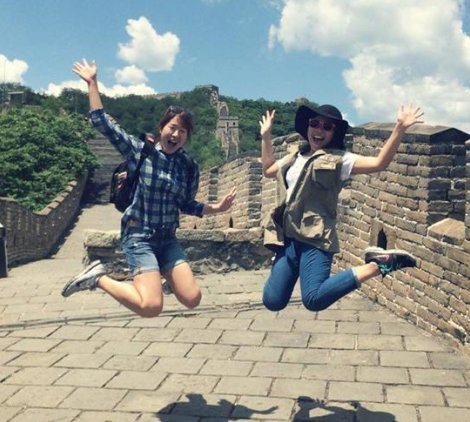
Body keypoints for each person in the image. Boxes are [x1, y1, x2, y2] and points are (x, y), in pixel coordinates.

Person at [62, 59, 236, 317]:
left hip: (168, 238)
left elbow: (186, 204)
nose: (176, 135)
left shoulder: (188, 167)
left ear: (187, 137)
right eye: (172, 127)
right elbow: (102, 123)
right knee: (151, 307)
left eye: (183, 132)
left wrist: (217, 208)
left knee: (192, 298)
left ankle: (154, 278)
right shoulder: (140, 152)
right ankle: (98, 278)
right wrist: (92, 84)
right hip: (139, 236)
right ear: (162, 128)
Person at [260, 103, 423, 312]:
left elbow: (379, 163)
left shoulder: (340, 160)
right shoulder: (294, 157)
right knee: (272, 300)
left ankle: (378, 264)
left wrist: (399, 129)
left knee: (313, 299)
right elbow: (268, 170)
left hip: (315, 239)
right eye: (315, 123)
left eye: (327, 127)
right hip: (288, 239)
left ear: (334, 132)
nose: (319, 130)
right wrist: (266, 136)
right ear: (307, 126)